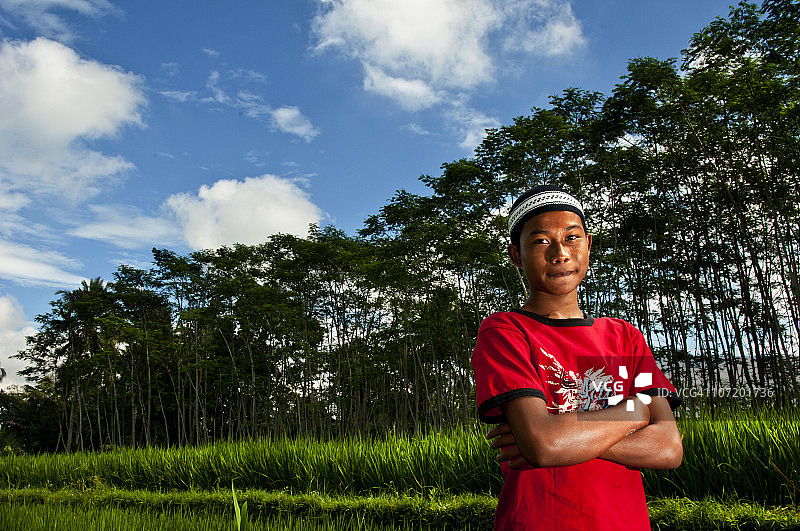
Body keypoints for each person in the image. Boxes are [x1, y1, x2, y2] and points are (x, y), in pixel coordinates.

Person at [471, 185, 683, 531]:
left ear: (587, 246)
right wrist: (638, 411)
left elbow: (668, 448)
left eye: (572, 238)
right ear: (515, 254)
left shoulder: (624, 336)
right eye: (541, 241)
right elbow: (544, 444)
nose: (560, 253)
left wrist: (562, 439)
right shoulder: (506, 331)